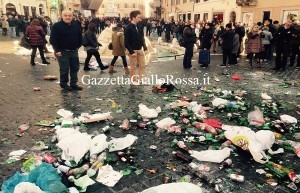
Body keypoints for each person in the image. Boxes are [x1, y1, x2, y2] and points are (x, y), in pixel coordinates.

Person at [50, 10, 83, 91]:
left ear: (72, 16)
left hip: (74, 50)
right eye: (65, 15)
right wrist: (57, 50)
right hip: (62, 51)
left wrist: (78, 46)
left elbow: (79, 36)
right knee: (64, 69)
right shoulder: (56, 26)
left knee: (75, 67)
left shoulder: (75, 24)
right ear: (62, 16)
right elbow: (53, 40)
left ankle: (73, 83)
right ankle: (64, 84)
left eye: (69, 15)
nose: (68, 17)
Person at [125, 10, 148, 85]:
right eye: (138, 17)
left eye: (140, 17)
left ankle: (140, 79)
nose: (140, 19)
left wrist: (145, 48)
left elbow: (142, 38)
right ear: (133, 18)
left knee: (142, 65)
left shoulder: (139, 25)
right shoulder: (128, 27)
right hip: (133, 50)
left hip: (140, 49)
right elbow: (126, 42)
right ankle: (133, 81)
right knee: (133, 67)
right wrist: (131, 52)